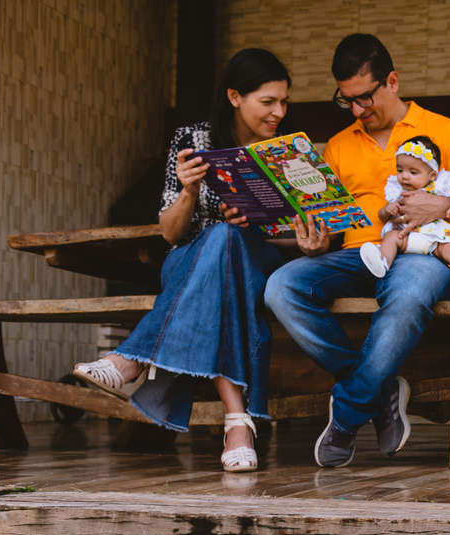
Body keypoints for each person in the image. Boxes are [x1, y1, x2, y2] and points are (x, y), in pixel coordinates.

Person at [264, 34, 450, 468]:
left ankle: (348, 415)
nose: (356, 110)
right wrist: (314, 241)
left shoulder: (444, 130)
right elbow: (328, 225)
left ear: (391, 81)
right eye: (346, 100)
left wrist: (443, 204)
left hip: (421, 255)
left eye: (365, 97)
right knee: (281, 286)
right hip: (357, 255)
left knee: (408, 293)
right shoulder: (336, 144)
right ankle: (381, 388)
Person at [72, 49, 292, 472]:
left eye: (284, 101)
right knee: (220, 245)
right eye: (268, 102)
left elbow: (295, 234)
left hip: (259, 262)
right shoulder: (193, 140)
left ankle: (131, 359)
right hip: (189, 260)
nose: (278, 112)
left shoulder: (284, 148)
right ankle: (238, 423)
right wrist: (190, 192)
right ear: (234, 96)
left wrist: (288, 232)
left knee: (229, 239)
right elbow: (171, 234)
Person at [359, 136, 450, 301]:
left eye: (413, 172)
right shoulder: (397, 190)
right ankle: (383, 263)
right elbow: (381, 215)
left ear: (433, 174)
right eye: (400, 170)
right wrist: (387, 210)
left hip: (438, 240)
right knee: (391, 237)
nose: (404, 177)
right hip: (410, 237)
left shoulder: (439, 186)